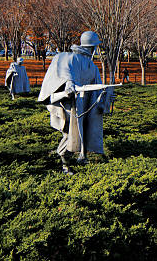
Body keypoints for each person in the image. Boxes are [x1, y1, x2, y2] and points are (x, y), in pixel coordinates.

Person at [38, 31, 114, 175]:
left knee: (84, 131)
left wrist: (106, 97)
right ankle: (65, 164)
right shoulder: (68, 57)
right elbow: (65, 70)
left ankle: (80, 157)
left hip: (86, 104)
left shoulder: (92, 66)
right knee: (70, 133)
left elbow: (97, 86)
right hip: (71, 102)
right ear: (93, 47)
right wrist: (69, 84)